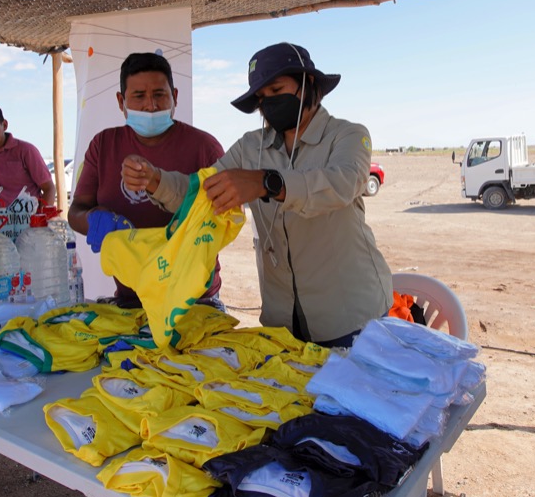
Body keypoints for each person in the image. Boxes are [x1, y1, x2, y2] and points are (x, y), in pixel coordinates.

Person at [123, 42, 392, 348]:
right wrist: (156, 180)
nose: (269, 104)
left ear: (309, 83)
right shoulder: (251, 148)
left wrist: (267, 183)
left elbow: (342, 183)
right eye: (262, 99)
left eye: (277, 91)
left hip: (349, 317)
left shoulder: (347, 135)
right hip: (282, 323)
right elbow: (201, 192)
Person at [68, 51, 224, 307]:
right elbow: (75, 212)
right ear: (121, 101)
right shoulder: (104, 144)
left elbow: (224, 217)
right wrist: (94, 221)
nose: (150, 106)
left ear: (174, 96)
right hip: (131, 296)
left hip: (194, 299)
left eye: (159, 95)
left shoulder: (204, 147)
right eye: (139, 96)